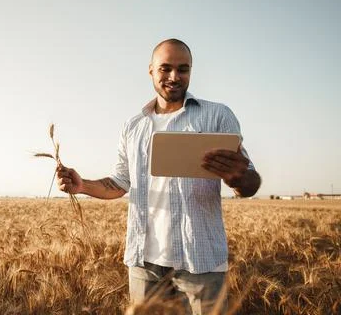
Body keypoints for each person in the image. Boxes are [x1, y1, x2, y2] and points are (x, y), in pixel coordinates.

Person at [56, 38, 261, 315]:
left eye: (183, 69)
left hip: (200, 264)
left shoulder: (217, 116)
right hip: (144, 265)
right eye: (165, 68)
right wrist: (83, 185)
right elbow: (119, 183)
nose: (174, 77)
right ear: (151, 70)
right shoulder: (133, 126)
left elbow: (249, 181)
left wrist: (238, 179)